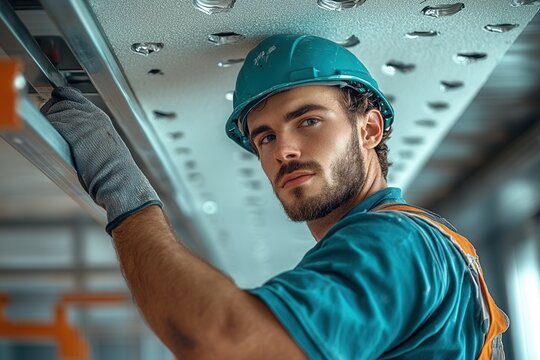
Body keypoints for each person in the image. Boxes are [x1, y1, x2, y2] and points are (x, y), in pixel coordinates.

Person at [41, 34, 508, 359]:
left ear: (368, 129)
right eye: (264, 137)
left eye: (308, 121)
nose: (283, 149)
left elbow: (221, 343)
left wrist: (123, 191)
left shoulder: (392, 242)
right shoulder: (427, 240)